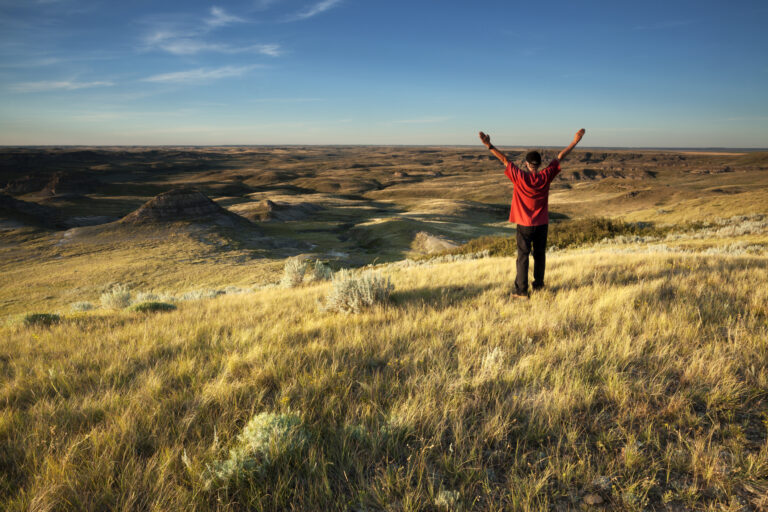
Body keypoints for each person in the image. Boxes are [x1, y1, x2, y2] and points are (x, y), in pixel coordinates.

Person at [478, 128, 586, 298]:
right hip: (542, 224)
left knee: (523, 257)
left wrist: (489, 145)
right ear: (539, 165)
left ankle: (521, 291)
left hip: (524, 224)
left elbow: (504, 160)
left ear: (527, 165)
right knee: (540, 256)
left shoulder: (520, 176)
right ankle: (539, 287)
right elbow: (559, 157)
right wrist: (574, 141)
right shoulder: (546, 176)